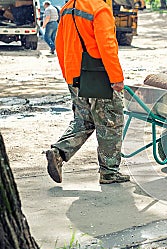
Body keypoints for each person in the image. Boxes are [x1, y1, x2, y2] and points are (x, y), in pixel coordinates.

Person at [46, 0, 130, 184]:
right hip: (98, 76)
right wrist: (116, 78)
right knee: (111, 122)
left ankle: (58, 152)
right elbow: (107, 45)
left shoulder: (68, 7)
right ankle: (109, 172)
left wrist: (68, 74)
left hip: (74, 75)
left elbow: (60, 45)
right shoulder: (99, 8)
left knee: (84, 120)